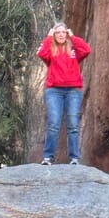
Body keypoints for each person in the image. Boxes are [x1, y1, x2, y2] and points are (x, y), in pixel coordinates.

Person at [37, 22, 91, 166]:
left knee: (73, 124)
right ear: (54, 35)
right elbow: (41, 53)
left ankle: (74, 158)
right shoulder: (51, 50)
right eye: (57, 32)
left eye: (63, 32)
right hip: (54, 91)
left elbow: (86, 50)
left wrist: (73, 36)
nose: (61, 35)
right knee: (53, 123)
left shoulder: (73, 49)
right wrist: (48, 38)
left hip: (73, 90)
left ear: (67, 34)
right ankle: (48, 157)